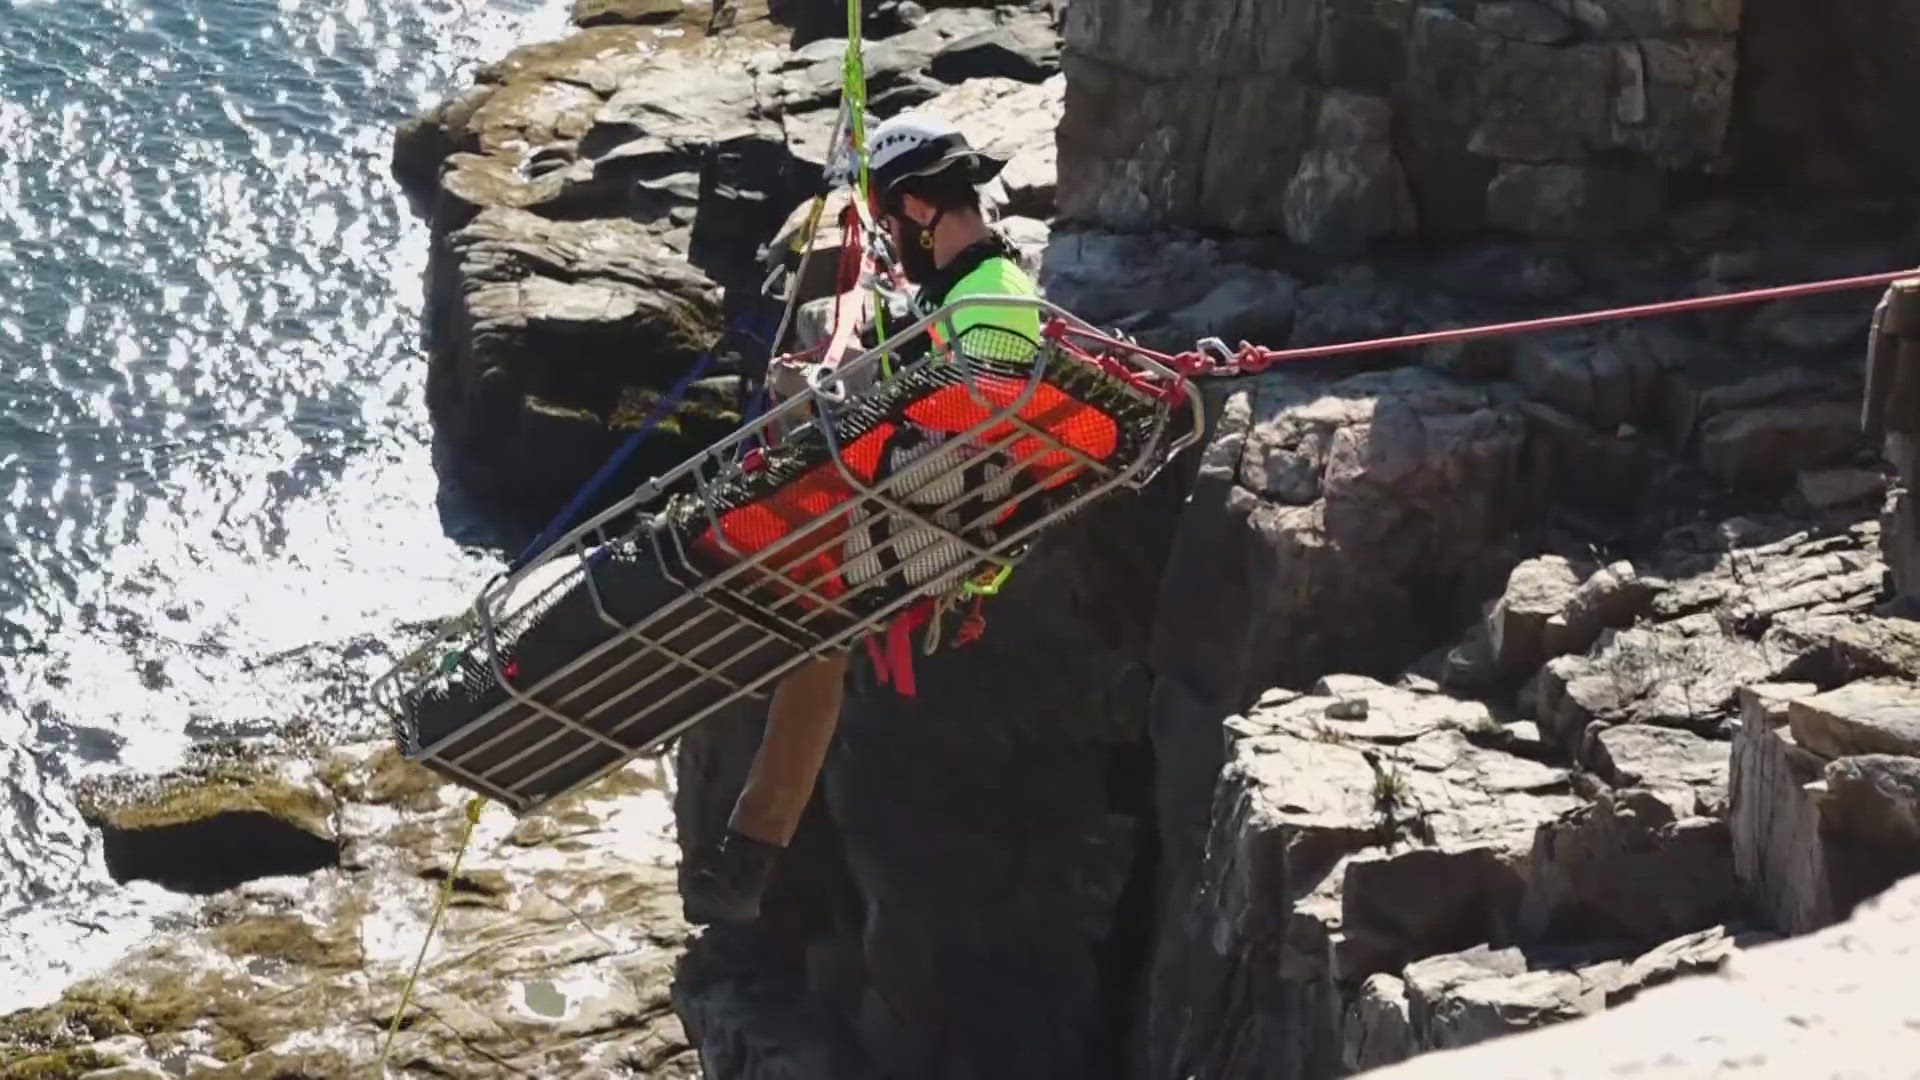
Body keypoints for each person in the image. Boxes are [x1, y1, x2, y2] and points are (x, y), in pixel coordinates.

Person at [682, 114, 1043, 925]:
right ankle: (751, 851)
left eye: (887, 219)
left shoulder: (987, 307)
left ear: (918, 209)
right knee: (816, 640)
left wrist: (829, 413)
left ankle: (750, 851)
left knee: (802, 620)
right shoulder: (986, 292)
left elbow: (958, 440)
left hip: (916, 522)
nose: (887, 237)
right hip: (925, 518)